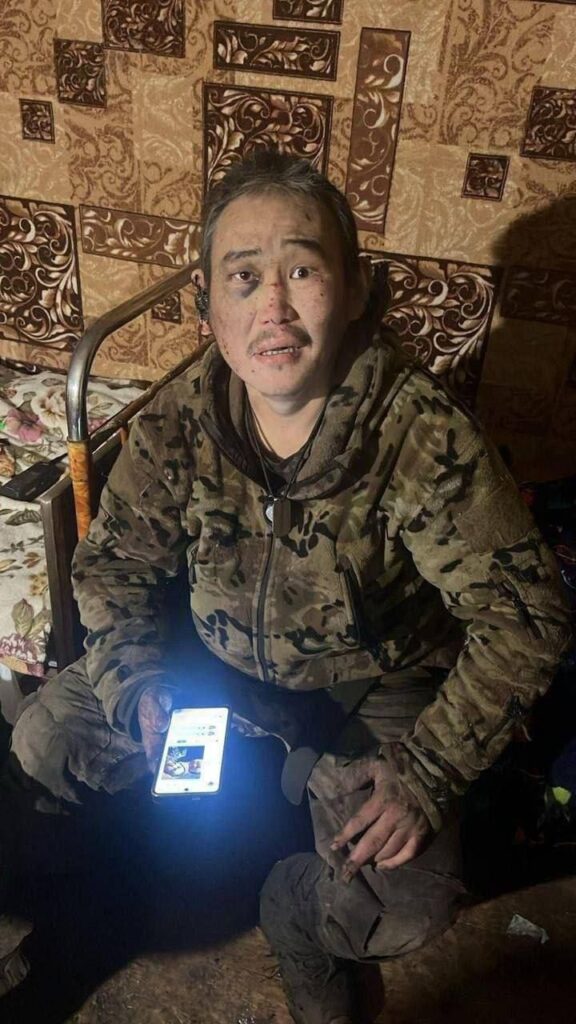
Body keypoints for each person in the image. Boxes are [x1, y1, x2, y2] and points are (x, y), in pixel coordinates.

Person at [0, 150, 571, 1023]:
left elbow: (526, 617)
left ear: (355, 289)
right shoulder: (181, 420)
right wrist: (138, 684)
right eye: (244, 278)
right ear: (209, 308)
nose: (273, 306)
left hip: (369, 689)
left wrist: (426, 770)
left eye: (302, 270)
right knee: (47, 742)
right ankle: (111, 897)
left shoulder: (421, 437)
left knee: (403, 899)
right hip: (211, 659)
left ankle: (296, 919)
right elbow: (115, 565)